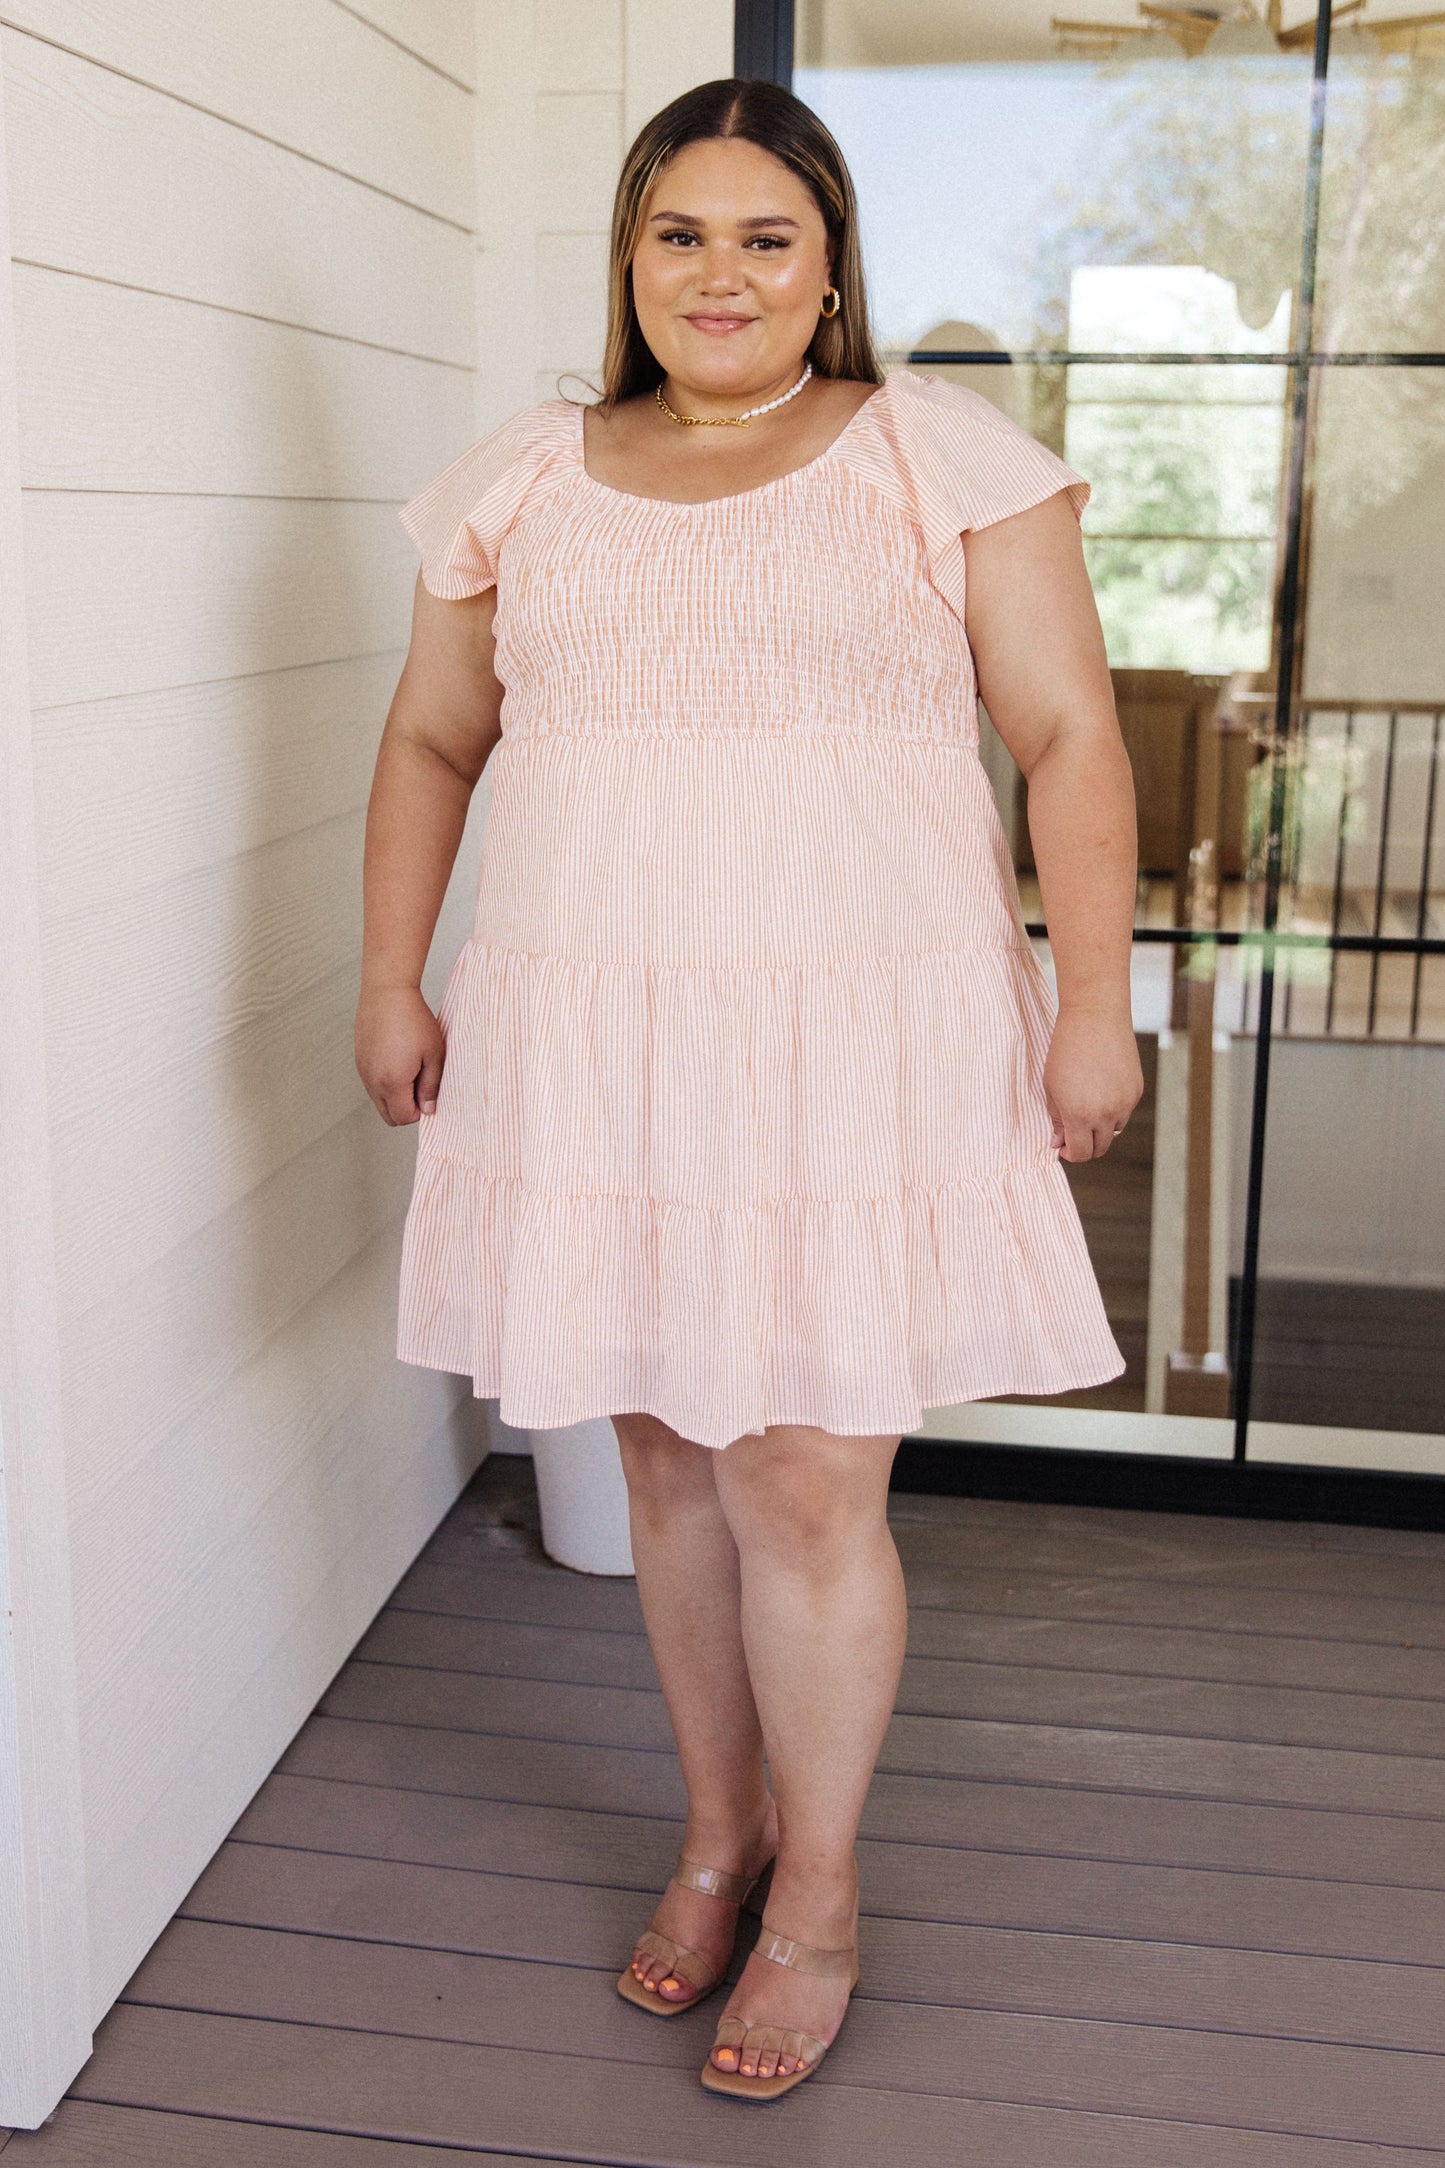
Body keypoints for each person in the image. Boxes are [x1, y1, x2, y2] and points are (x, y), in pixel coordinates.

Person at [355, 76, 1142, 2105]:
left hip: (856, 1031)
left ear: (829, 265)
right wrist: (387, 976)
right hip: (596, 1032)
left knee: (802, 1472)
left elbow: (1066, 733)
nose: (722, 274)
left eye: (765, 238)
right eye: (681, 234)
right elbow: (435, 741)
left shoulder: (935, 455)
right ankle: (719, 1838)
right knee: (668, 1465)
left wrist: (1092, 1003)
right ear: (630, 258)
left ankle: (823, 1893)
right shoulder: (523, 474)